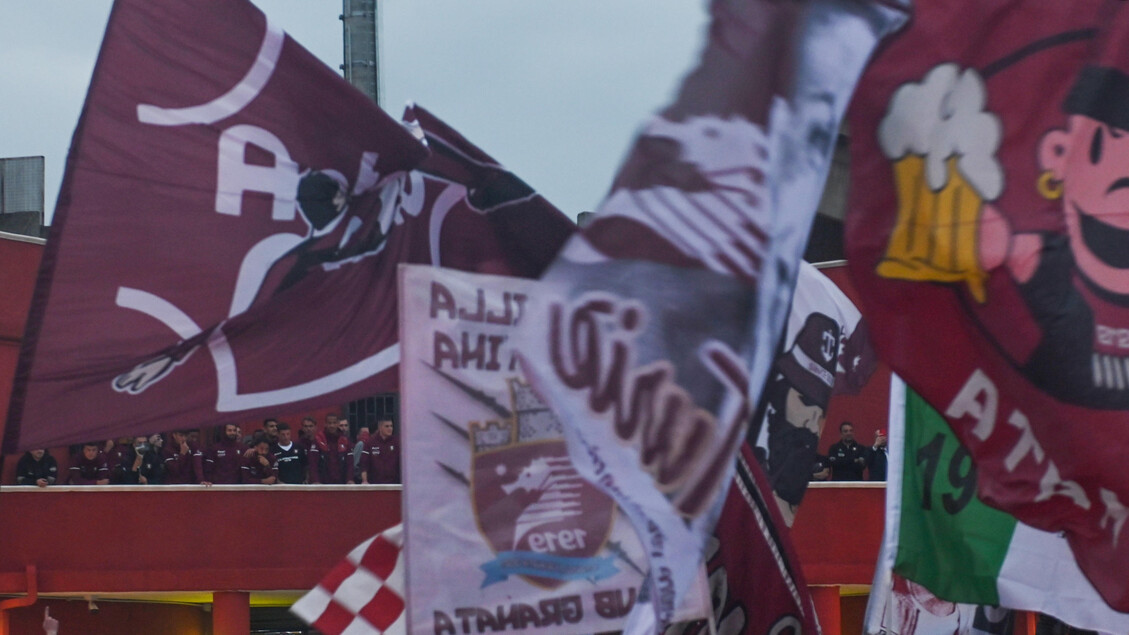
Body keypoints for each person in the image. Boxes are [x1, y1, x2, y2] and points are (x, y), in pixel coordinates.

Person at [308, 415, 354, 484]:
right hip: (322, 483)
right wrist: (315, 480)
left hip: (342, 483)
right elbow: (313, 463)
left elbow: (350, 463)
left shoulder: (345, 440)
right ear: (325, 424)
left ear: (338, 424)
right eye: (329, 423)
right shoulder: (318, 439)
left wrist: (350, 479)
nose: (332, 425)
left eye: (334, 423)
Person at [360, 419, 400, 485]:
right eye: (387, 426)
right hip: (374, 483)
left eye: (391, 426)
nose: (390, 428)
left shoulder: (397, 442)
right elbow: (364, 464)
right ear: (380, 428)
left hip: (394, 483)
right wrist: (365, 481)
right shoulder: (370, 442)